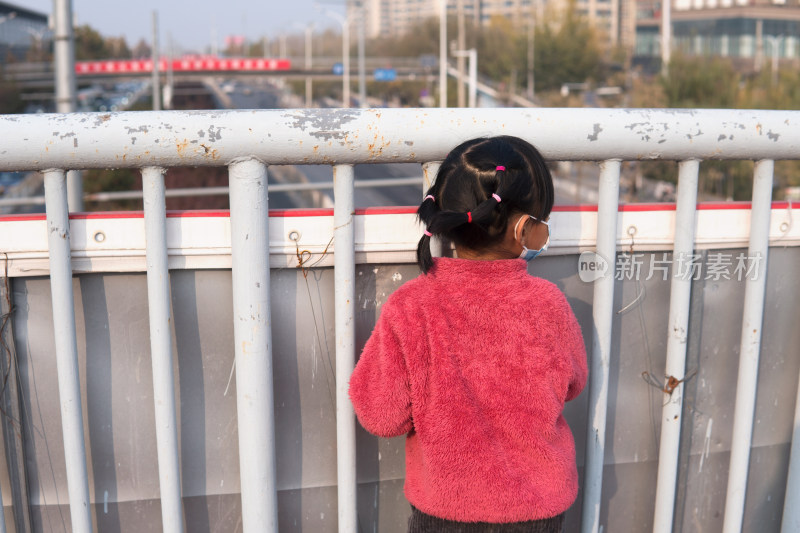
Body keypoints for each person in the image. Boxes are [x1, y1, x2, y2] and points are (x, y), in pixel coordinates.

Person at [348, 136, 588, 533]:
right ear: (525, 229)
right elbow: (572, 384)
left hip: (444, 510)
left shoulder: (411, 306)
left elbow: (382, 415)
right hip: (537, 511)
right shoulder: (549, 304)